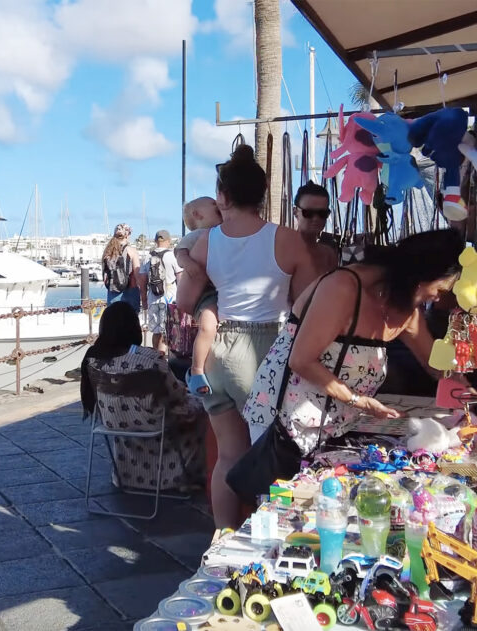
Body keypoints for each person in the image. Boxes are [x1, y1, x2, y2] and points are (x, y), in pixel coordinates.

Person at [237, 229, 466, 501]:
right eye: (440, 289)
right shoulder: (344, 288)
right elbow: (301, 359)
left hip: (332, 425)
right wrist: (358, 400)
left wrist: (471, 397)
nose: (439, 298)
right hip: (285, 421)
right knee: (283, 507)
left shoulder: (404, 309)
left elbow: (436, 364)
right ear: (421, 274)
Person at [178, 144, 317, 528]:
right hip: (267, 350)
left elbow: (185, 301)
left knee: (227, 456)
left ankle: (222, 536)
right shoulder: (287, 239)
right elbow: (307, 305)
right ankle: (265, 540)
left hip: (219, 351)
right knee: (268, 454)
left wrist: (210, 304)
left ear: (222, 196)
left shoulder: (207, 242)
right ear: (262, 194)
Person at [80, 302, 206, 490]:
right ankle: (182, 476)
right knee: (202, 408)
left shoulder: (93, 359)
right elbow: (176, 395)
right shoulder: (150, 359)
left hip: (115, 423)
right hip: (156, 423)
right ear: (134, 327)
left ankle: (132, 474)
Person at [175, 197, 222, 390]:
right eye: (213, 205)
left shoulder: (219, 232)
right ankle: (196, 370)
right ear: (198, 214)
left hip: (219, 289)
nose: (218, 205)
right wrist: (190, 265)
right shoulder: (198, 234)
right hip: (206, 293)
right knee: (208, 326)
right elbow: (179, 253)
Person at [139, 230, 183, 353]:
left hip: (152, 298)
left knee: (155, 331)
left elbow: (142, 281)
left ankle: (154, 357)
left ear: (155, 241)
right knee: (166, 330)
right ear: (168, 241)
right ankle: (162, 358)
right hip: (169, 298)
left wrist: (144, 299)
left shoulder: (148, 256)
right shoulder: (172, 256)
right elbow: (180, 278)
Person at [293, 181, 339, 275]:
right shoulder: (283, 250)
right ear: (295, 212)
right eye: (308, 213)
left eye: (322, 213)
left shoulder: (329, 255)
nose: (316, 218)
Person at [101, 223, 141, 311]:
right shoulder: (131, 251)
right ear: (127, 235)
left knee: (114, 320)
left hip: (113, 291)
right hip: (131, 291)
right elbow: (137, 273)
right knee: (131, 320)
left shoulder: (108, 251)